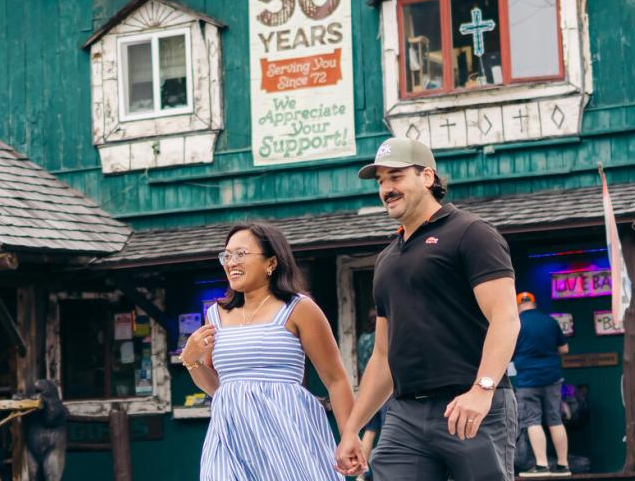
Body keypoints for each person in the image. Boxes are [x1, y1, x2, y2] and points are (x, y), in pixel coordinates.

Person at [335, 137, 521, 480]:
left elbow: (506, 318)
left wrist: (482, 390)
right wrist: (352, 429)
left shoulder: (471, 233)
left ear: (427, 177)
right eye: (380, 182)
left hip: (470, 405)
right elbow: (382, 356)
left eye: (395, 177)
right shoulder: (386, 259)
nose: (386, 189)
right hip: (405, 416)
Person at [181, 222, 356, 480]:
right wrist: (190, 360)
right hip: (230, 436)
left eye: (241, 254)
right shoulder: (215, 315)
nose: (231, 262)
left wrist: (349, 436)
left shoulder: (299, 308)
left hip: (286, 432)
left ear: (271, 262)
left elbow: (336, 379)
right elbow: (220, 388)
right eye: (226, 256)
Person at [513, 291, 571, 477]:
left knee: (532, 421)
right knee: (555, 420)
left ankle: (542, 466)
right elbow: (564, 349)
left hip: (527, 380)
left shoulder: (516, 323)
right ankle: (563, 466)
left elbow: (507, 351)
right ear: (535, 303)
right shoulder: (550, 321)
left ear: (517, 305)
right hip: (552, 378)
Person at [357, 308, 385, 480]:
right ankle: (382, 469)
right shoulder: (380, 338)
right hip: (384, 390)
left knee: (371, 429)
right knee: (389, 429)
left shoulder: (362, 339)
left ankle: (361, 475)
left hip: (367, 390)